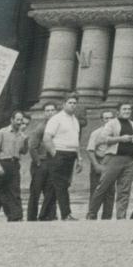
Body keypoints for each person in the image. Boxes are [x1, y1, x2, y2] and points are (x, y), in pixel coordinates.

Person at [88, 102, 133, 220]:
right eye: (124, 109)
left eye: (129, 109)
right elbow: (102, 138)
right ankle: (91, 213)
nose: (127, 111)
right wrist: (120, 138)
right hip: (113, 158)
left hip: (129, 159)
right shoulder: (112, 123)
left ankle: (121, 216)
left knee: (124, 189)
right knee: (103, 187)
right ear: (118, 112)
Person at [41, 93, 83, 221]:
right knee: (61, 185)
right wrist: (55, 154)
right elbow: (47, 138)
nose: (72, 105)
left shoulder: (75, 120)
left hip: (71, 155)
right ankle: (66, 214)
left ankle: (43, 215)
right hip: (59, 153)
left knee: (56, 186)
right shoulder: (56, 119)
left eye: (74, 103)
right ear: (64, 104)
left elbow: (76, 141)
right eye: (70, 103)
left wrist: (79, 158)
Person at [0, 110, 29, 222]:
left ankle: (15, 217)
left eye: (21, 120)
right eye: (17, 120)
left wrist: (25, 140)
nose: (19, 122)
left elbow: (24, 151)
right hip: (3, 163)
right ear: (12, 120)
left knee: (14, 191)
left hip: (14, 164)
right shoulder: (2, 132)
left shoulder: (22, 135)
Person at [85, 108, 117, 220]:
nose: (108, 120)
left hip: (111, 163)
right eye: (106, 118)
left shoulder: (116, 133)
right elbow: (90, 150)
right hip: (99, 161)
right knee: (96, 190)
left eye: (111, 118)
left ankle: (107, 217)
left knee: (110, 191)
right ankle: (92, 215)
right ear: (102, 120)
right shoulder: (97, 133)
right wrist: (96, 165)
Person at [25, 102, 56, 221]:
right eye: (47, 110)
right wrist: (38, 162)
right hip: (41, 163)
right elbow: (32, 146)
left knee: (51, 191)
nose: (50, 112)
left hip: (52, 162)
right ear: (44, 113)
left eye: (52, 110)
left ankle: (47, 215)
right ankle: (31, 217)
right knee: (35, 191)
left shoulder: (57, 127)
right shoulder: (41, 127)